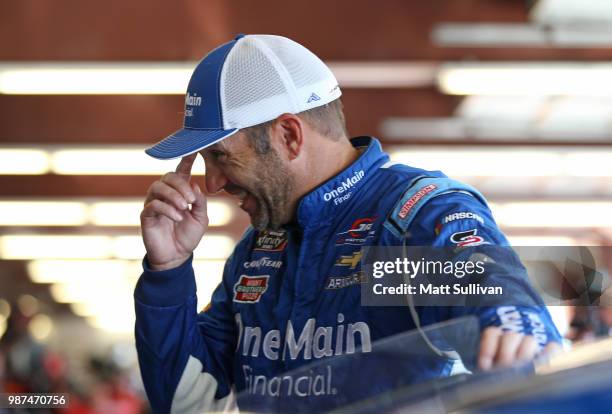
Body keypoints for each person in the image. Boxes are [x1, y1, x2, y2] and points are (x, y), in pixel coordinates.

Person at [134, 34, 562, 413]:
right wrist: (167, 272)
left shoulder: (403, 225)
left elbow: (502, 308)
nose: (211, 183)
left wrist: (515, 326)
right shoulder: (259, 251)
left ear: (289, 136)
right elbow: (192, 403)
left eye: (222, 156)